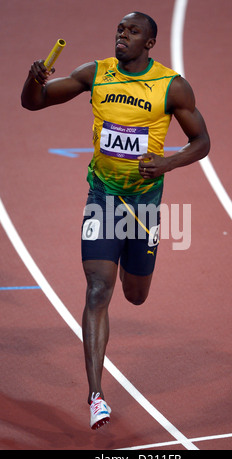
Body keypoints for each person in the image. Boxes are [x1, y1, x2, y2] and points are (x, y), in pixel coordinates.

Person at [21, 11, 210, 430]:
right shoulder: (96, 73)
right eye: (119, 30)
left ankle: (131, 268)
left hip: (143, 207)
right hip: (102, 199)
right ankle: (96, 396)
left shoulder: (171, 86)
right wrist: (35, 78)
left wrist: (168, 162)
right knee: (96, 291)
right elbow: (33, 102)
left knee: (135, 294)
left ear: (150, 43)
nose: (121, 36)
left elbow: (202, 141)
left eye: (132, 32)